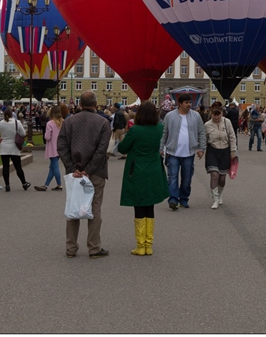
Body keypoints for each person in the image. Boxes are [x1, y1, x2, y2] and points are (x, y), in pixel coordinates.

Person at [57, 91, 112, 259]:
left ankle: (71, 248)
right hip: (96, 172)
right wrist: (88, 169)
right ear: (96, 104)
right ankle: (94, 248)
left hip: (74, 173)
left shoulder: (69, 122)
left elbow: (62, 146)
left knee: (74, 208)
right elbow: (101, 150)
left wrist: (73, 167)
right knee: (95, 209)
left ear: (80, 104)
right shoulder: (103, 123)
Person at [118, 101, 169, 255]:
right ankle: (149, 244)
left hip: (137, 169)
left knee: (139, 204)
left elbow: (122, 148)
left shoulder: (135, 130)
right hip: (154, 169)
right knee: (150, 205)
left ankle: (140, 245)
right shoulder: (160, 128)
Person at [160, 93, 206, 210]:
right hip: (173, 152)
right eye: (186, 103)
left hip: (189, 153)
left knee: (187, 179)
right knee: (173, 177)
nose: (189, 105)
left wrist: (201, 148)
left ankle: (184, 199)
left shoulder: (196, 116)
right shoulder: (170, 116)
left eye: (190, 102)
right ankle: (173, 200)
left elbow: (201, 132)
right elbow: (164, 133)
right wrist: (161, 148)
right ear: (179, 103)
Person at [203, 103, 237, 209]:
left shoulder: (227, 122)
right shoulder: (207, 125)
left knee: (222, 178)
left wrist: (233, 152)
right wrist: (201, 150)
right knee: (214, 175)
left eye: (218, 115)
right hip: (212, 151)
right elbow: (204, 139)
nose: (217, 117)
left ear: (222, 113)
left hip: (225, 151)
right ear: (211, 114)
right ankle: (215, 199)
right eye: (214, 115)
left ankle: (220, 193)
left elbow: (232, 137)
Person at [0, 108, 30, 192]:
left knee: (5, 167)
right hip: (14, 146)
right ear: (12, 114)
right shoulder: (16, 122)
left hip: (4, 146)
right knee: (18, 167)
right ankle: (24, 183)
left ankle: (7, 185)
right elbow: (23, 134)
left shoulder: (0, 123)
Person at [35, 105, 64, 191]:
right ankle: (46, 185)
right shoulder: (63, 122)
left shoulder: (50, 123)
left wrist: (45, 135)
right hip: (60, 147)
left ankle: (59, 184)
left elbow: (47, 137)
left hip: (52, 147)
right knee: (52, 167)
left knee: (55, 166)